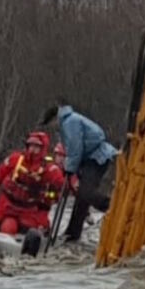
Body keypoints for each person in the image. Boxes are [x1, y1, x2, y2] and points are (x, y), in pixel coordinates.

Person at [39, 102, 118, 243]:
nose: (52, 128)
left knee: (86, 192)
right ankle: (73, 232)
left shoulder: (70, 122)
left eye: (50, 124)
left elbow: (75, 149)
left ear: (54, 119)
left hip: (98, 157)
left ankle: (112, 207)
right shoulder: (68, 122)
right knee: (81, 197)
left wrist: (69, 169)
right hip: (90, 159)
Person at [0, 131, 65, 237]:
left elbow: (61, 184)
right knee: (4, 226)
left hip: (30, 209)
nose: (33, 149)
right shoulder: (15, 159)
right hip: (8, 204)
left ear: (43, 148)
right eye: (31, 145)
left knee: (37, 231)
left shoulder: (49, 168)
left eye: (36, 147)